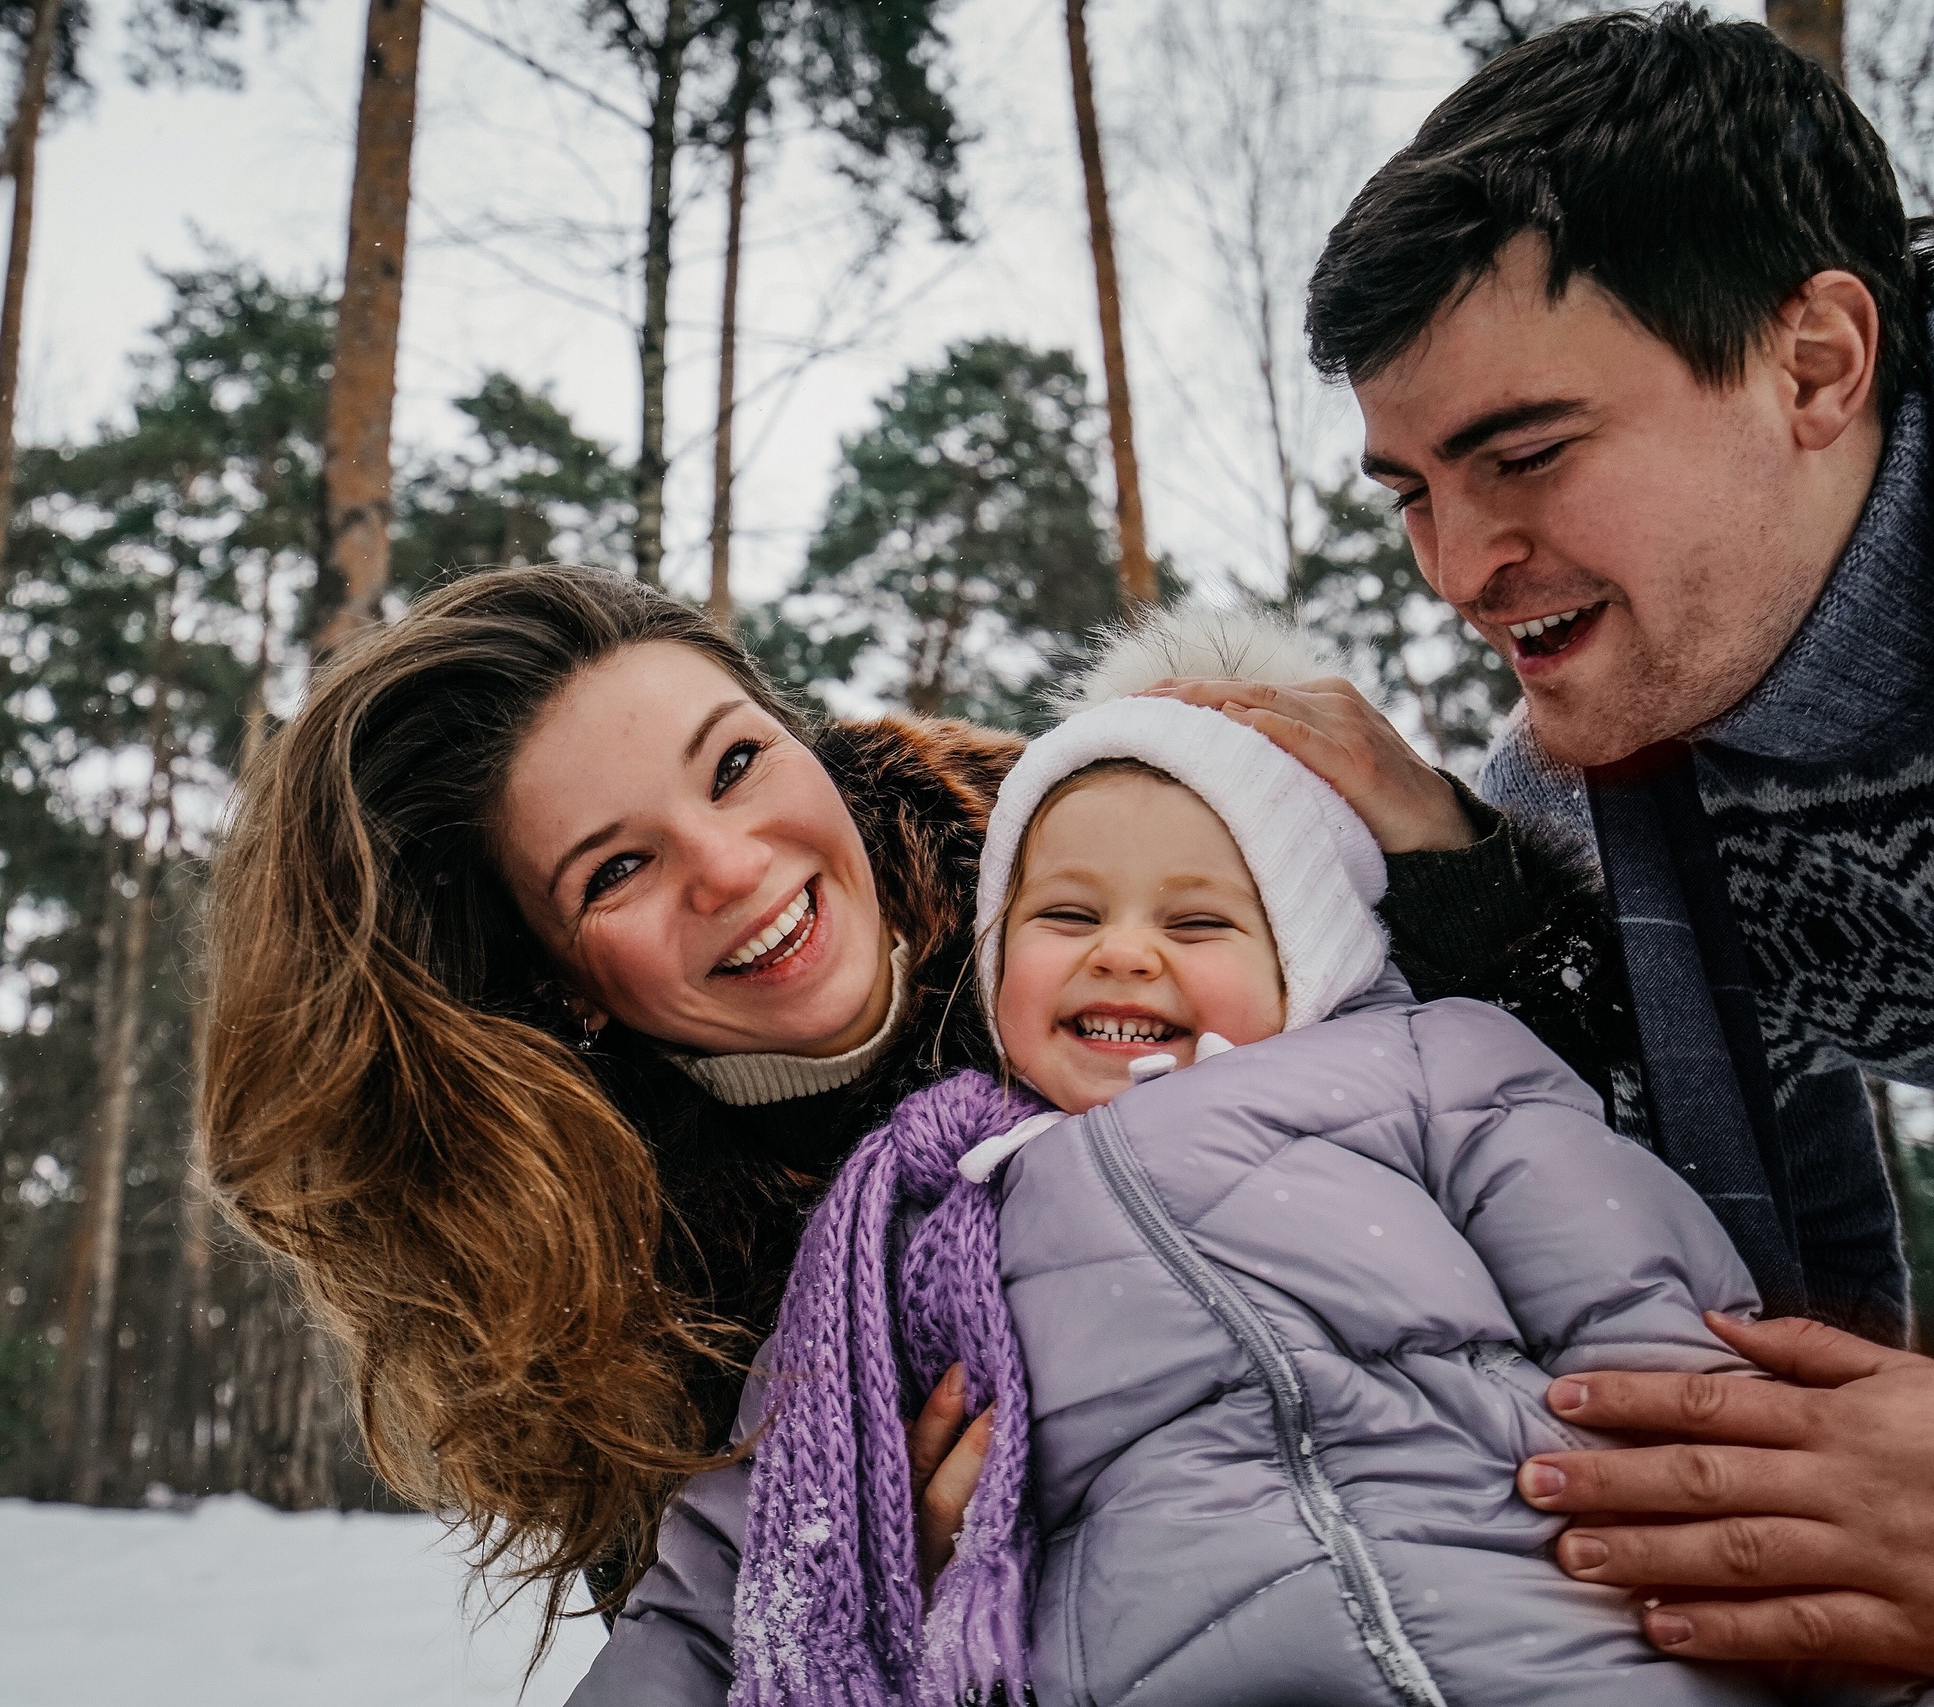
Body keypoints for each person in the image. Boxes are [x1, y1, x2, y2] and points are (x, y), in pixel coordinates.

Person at [196, 566, 1609, 1640]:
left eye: (738, 762)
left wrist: (1454, 874)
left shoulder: (1132, 860)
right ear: (558, 982)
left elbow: (1601, 1144)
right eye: (615, 870)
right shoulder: (629, 1293)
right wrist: (881, 1609)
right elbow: (704, 1646)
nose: (737, 868)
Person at [573, 614, 1892, 1707]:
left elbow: (1640, 1314)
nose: (1125, 952)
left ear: (1303, 955)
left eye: (1197, 919)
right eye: (1068, 914)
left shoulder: (1440, 1071)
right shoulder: (921, 1217)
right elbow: (732, 1569)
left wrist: (1809, 1621)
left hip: (1553, 1644)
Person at [1152, 6, 1934, 1677]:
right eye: (1413, 489)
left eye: (1525, 454)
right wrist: (1461, 885)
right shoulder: (1601, 796)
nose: (1458, 564)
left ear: (1815, 364)